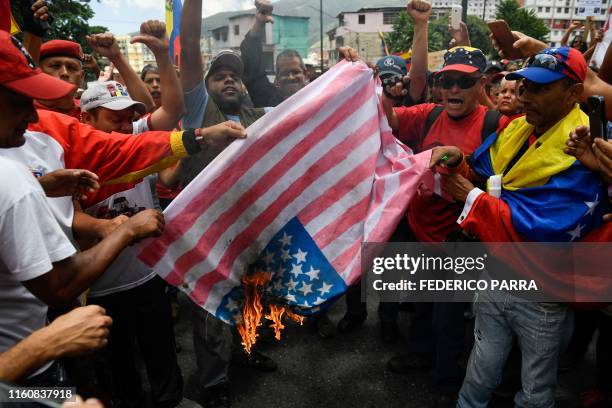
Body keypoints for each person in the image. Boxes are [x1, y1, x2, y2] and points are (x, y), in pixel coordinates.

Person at [429, 47, 610, 407]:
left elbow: (546, 225)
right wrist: (460, 164)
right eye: (525, 86)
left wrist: (472, 199)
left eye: (541, 89)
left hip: (543, 290)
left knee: (536, 383)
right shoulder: (514, 130)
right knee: (482, 363)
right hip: (496, 273)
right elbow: (490, 180)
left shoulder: (590, 146)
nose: (525, 97)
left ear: (573, 93)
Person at [0, 31, 165, 386]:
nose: (32, 116)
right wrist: (127, 230)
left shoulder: (24, 174)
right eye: (19, 103)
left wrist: (41, 187)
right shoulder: (10, 179)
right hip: (25, 380)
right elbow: (60, 285)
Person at [381, 45, 504, 407]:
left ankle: (447, 377)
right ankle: (421, 354)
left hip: (462, 240)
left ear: (479, 85)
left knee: (450, 315)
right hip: (421, 230)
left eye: (464, 82)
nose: (453, 89)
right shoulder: (429, 114)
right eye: (446, 80)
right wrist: (376, 85)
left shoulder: (498, 124)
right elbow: (386, 118)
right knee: (421, 305)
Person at [178, 1, 275, 406]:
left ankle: (245, 353)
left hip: (251, 229)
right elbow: (188, 58)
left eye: (234, 76)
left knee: (251, 297)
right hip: (208, 232)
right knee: (210, 311)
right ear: (205, 86)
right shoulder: (199, 112)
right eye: (219, 76)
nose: (230, 81)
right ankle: (213, 382)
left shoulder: (258, 116)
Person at [239, 0, 309, 108]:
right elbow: (252, 69)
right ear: (276, 80)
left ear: (306, 75)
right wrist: (259, 24)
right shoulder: (266, 99)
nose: (290, 77)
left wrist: (345, 60)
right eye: (284, 73)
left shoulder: (320, 96)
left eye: (295, 72)